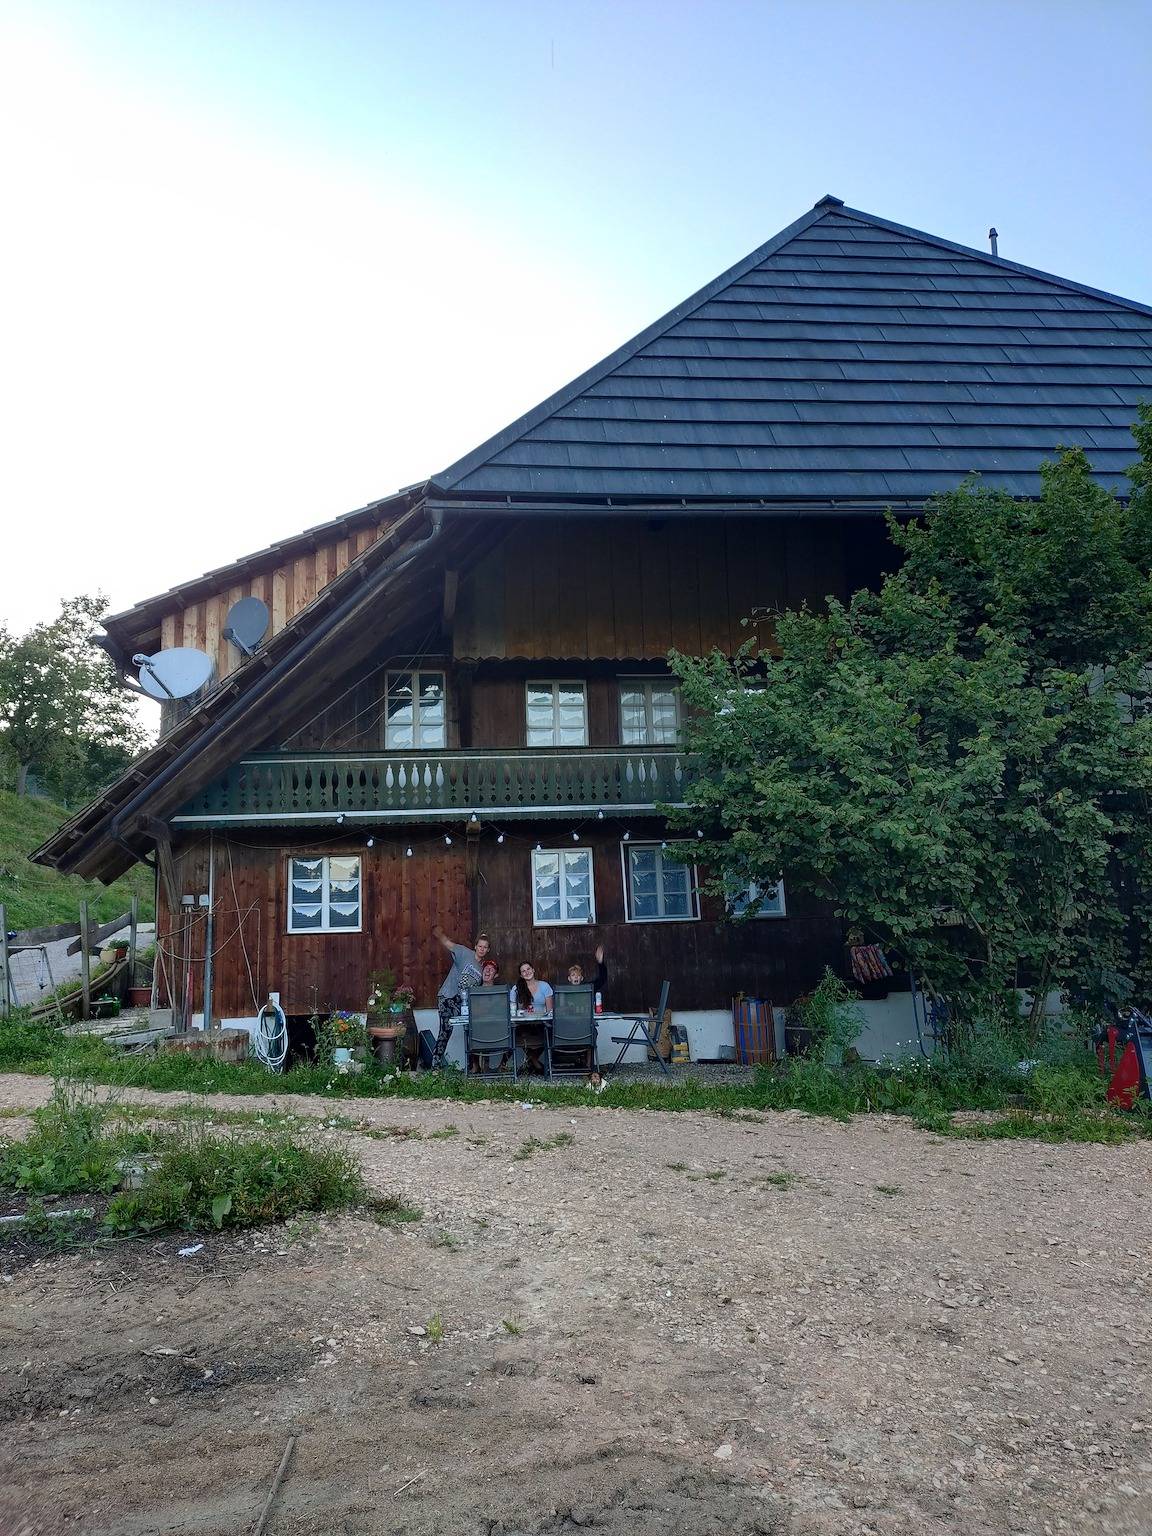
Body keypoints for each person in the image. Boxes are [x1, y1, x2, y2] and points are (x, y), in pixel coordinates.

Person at [431, 926, 490, 1069]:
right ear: (475, 946)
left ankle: (472, 1066)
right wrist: (439, 934)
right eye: (480, 946)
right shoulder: (464, 953)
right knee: (446, 1031)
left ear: (488, 950)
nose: (482, 949)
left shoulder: (482, 969)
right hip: (448, 997)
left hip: (463, 1003)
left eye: (485, 947)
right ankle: (435, 1066)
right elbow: (448, 944)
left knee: (472, 1029)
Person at [511, 961, 553, 1074]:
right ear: (521, 975)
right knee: (518, 1034)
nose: (527, 972)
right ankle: (535, 1062)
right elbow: (512, 1009)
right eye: (523, 971)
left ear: (533, 970)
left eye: (528, 969)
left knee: (549, 1033)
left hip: (541, 1022)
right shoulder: (516, 988)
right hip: (523, 1023)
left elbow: (550, 1010)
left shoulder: (545, 986)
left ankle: (531, 1062)